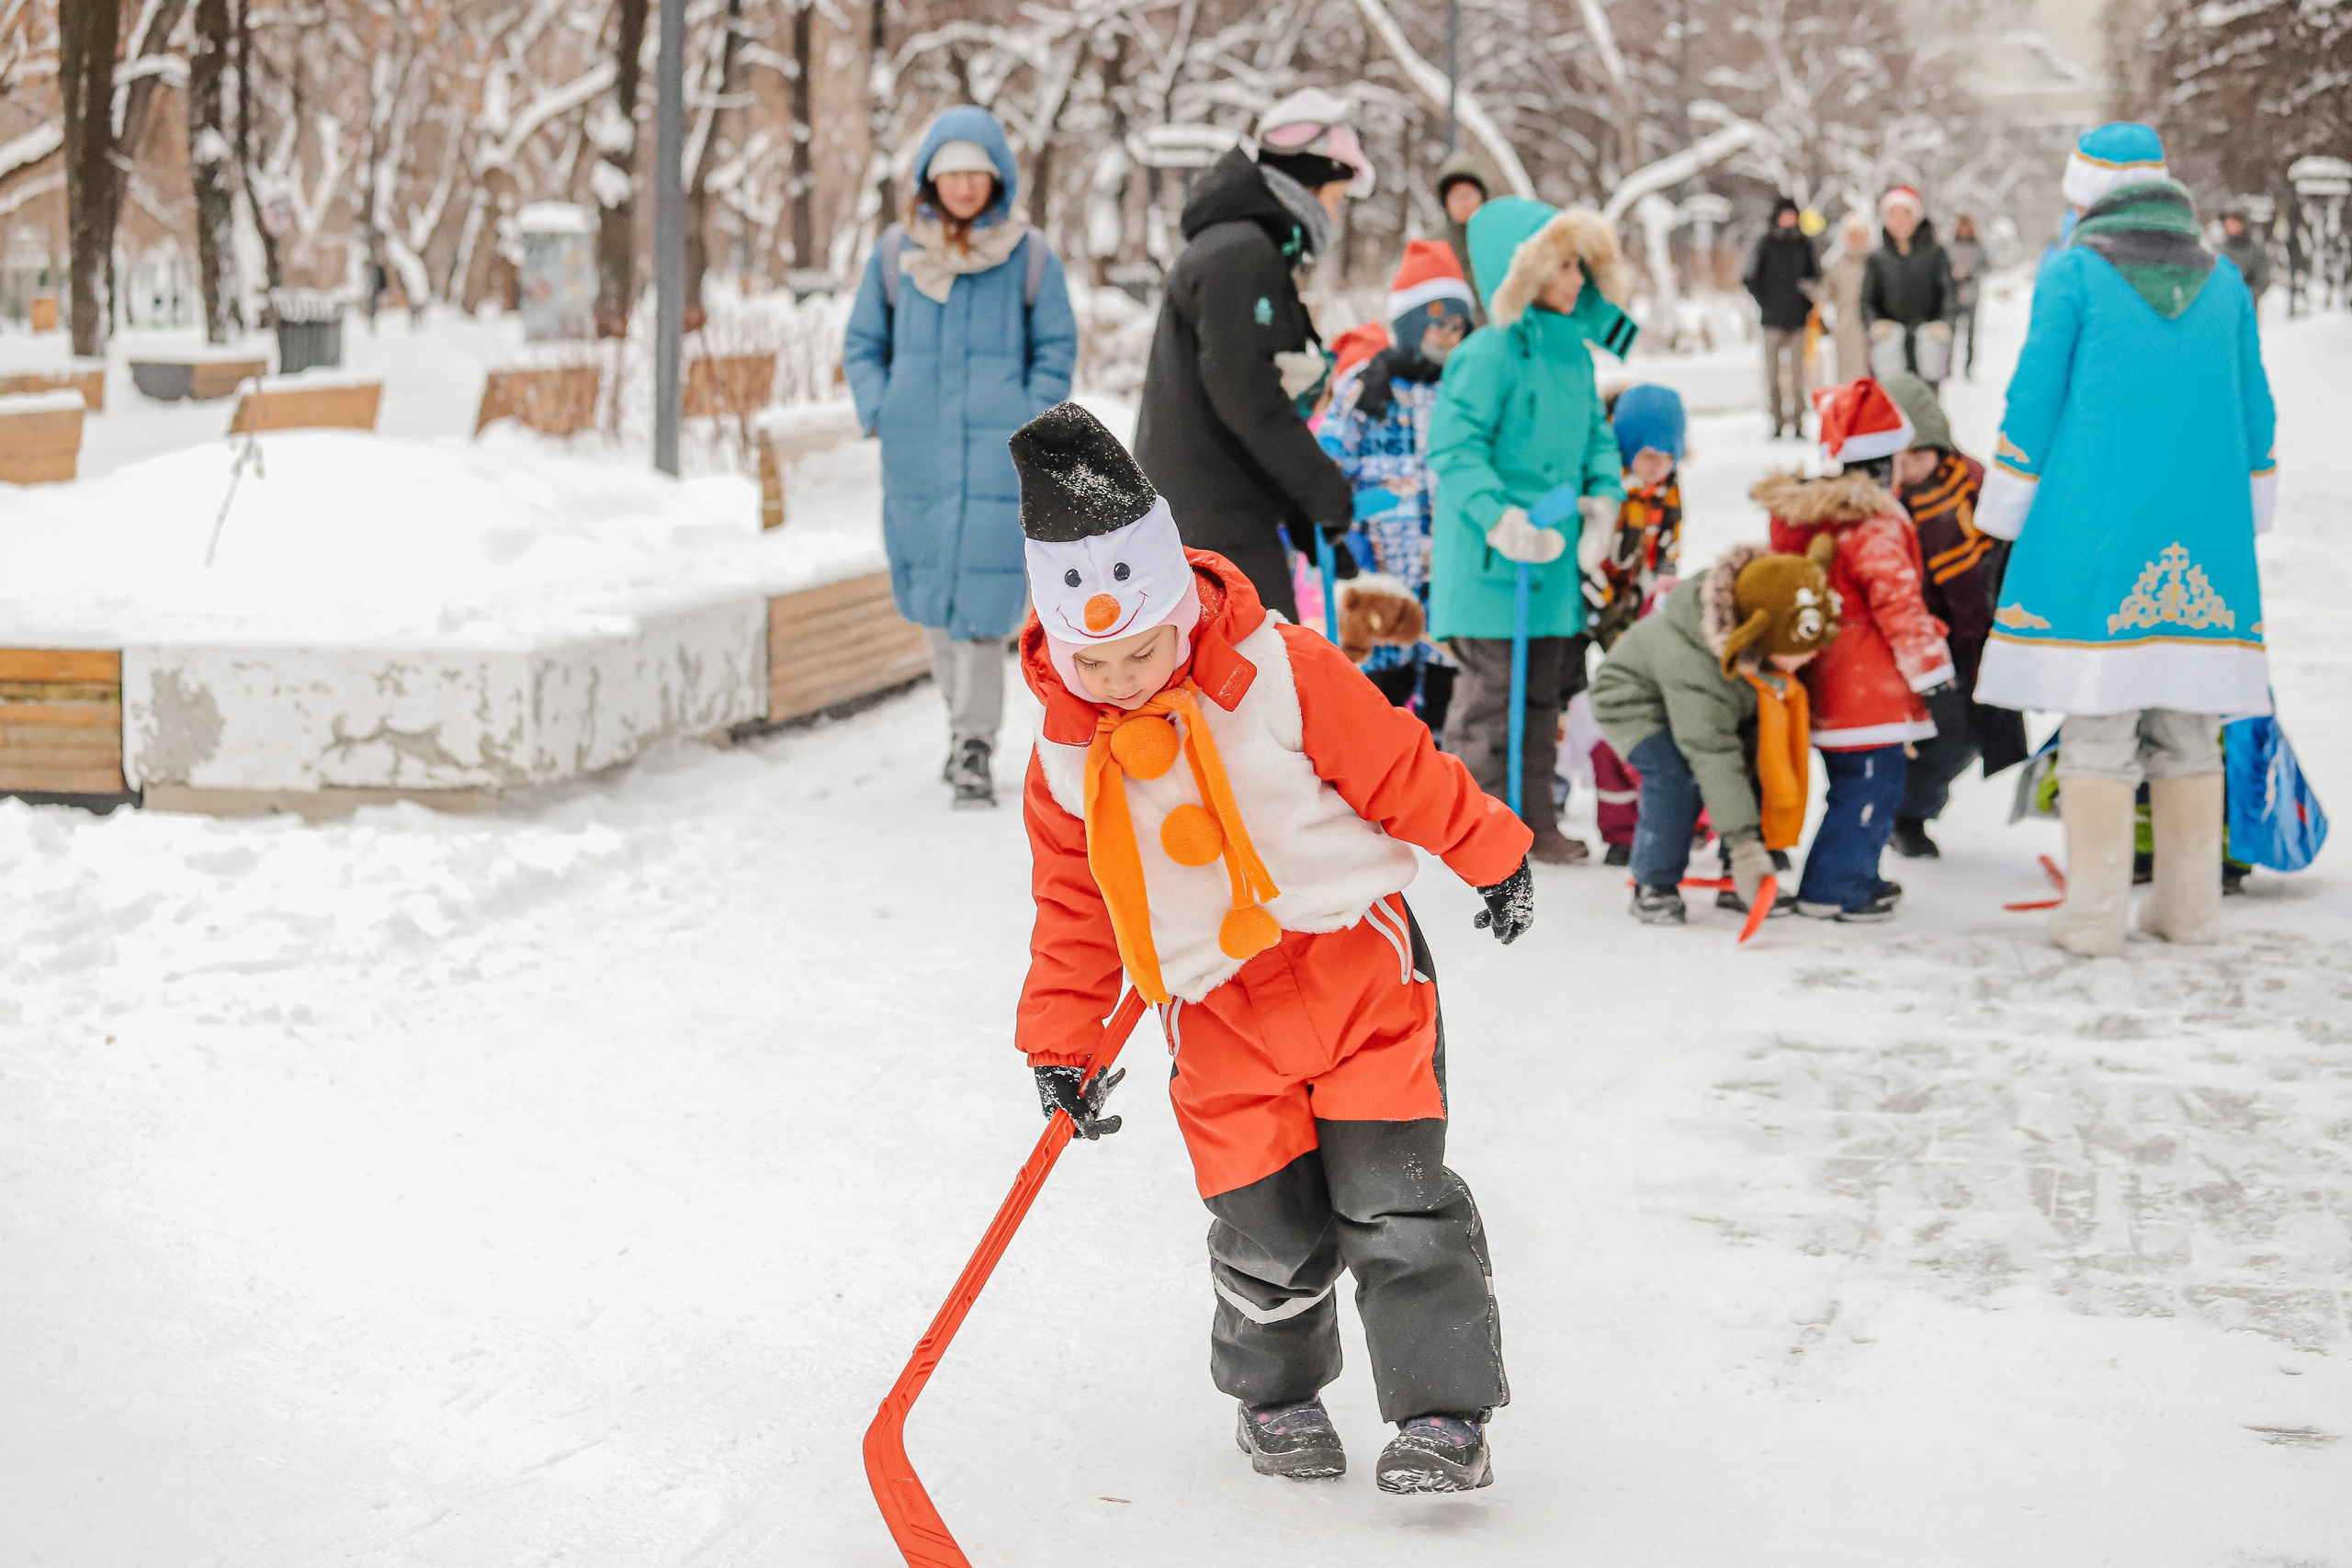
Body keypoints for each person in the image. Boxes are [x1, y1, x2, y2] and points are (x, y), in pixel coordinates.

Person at [1006, 400, 1533, 1495]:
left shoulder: (1279, 667)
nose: (1118, 677)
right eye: (1091, 660)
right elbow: (1075, 909)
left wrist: (1489, 852)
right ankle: (1276, 1397)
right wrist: (1061, 1042)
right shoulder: (1063, 760)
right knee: (1262, 1222)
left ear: (1177, 607)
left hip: (1358, 969)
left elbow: (1399, 766)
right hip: (1215, 1012)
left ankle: (1443, 1415)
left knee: (1395, 1198)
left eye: (1141, 647)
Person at [1973, 122, 2277, 957]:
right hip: (2204, 546)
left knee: (2099, 723)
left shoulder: (2074, 273)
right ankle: (2190, 910)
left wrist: (2002, 508)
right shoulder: (2226, 284)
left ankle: (2094, 916)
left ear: (2089, 194)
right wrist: (2249, 508)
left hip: (2094, 534)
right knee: (2188, 726)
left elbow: (2034, 398)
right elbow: (2257, 411)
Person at [843, 107, 1078, 807]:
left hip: (997, 455)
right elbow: (862, 342)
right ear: (930, 180)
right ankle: (960, 724)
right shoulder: (895, 252)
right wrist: (883, 406)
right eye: (952, 175)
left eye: (978, 173)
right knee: (934, 601)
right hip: (918, 454)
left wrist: (1026, 412)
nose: (965, 187)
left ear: (997, 177)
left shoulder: (1028, 254)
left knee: (983, 602)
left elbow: (1057, 347)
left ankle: (974, 742)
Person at [1428, 197, 1637, 864]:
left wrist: (1605, 498)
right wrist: (1498, 517)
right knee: (1492, 703)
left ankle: (1535, 820)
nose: (1577, 280)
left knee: (1543, 695)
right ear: (1527, 272)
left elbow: (1596, 439)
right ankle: (1480, 833)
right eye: (1563, 265)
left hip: (1551, 564)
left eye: (1581, 266)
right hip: (1494, 561)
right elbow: (1454, 448)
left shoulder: (1574, 354)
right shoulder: (1487, 353)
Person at [1134, 88, 1366, 624]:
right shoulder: (1241, 255)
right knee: (1256, 686)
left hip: (1221, 510)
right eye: (1336, 198)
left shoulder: (1247, 250)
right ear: (1308, 182)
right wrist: (1324, 491)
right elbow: (1245, 391)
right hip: (1213, 523)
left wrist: (1304, 513)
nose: (1335, 216)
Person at [1758, 378, 1955, 920]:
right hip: (1866, 689)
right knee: (1872, 786)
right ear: (1881, 466)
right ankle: (1836, 886)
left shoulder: (1810, 517)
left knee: (1853, 786)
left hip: (1826, 682)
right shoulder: (1873, 525)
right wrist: (1931, 670)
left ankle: (1853, 875)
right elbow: (1899, 602)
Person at [1590, 539, 1840, 924]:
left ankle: (1738, 875)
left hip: (1711, 700)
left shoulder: (1754, 620)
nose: (1812, 658)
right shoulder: (1697, 665)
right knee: (1677, 776)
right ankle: (1653, 883)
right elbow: (1712, 752)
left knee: (1758, 754)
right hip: (1636, 704)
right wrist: (1745, 846)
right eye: (1803, 649)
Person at [1317, 239, 1476, 734]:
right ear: (1409, 324)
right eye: (1437, 324)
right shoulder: (1369, 388)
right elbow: (1326, 462)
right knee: (1383, 690)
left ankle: (1441, 783)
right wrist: (1340, 527)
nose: (1448, 337)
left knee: (1449, 688)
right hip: (1385, 573)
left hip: (1451, 571)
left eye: (1458, 327)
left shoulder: (1466, 386)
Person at [1873, 373, 2030, 859]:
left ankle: (1907, 809)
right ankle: (1904, 813)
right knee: (1945, 732)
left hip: (1979, 635)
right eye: (1898, 458)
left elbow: (2009, 552)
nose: (1910, 469)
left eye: (1919, 454)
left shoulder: (1975, 488)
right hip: (1914, 639)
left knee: (1979, 732)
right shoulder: (1883, 506)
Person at [1582, 384, 1688, 863]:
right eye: (1648, 456)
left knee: (1640, 684)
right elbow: (1594, 544)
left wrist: (1664, 578)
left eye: (1667, 457)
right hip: (1594, 593)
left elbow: (1669, 538)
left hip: (1636, 596)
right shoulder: (1609, 483)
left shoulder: (1668, 487)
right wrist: (1592, 594)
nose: (1657, 467)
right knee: (1577, 689)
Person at [1862, 186, 1956, 386]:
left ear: (1916, 217)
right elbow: (1867, 300)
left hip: (1927, 343)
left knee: (1925, 407)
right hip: (1891, 346)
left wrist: (1943, 323)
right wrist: (1875, 324)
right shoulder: (1878, 259)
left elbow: (1948, 294)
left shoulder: (1936, 254)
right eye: (1893, 216)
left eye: (1904, 215)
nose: (1899, 222)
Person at [1745, 197, 1821, 437]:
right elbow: (1750, 278)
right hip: (1772, 321)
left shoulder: (1805, 245)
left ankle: (1799, 422)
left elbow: (1815, 278)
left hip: (1798, 321)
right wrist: (1765, 303)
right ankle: (1777, 422)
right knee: (1773, 376)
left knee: (1799, 376)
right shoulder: (1765, 244)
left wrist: (1806, 304)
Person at [1430, 150, 1490, 324]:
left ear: (1482, 196)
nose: (1464, 202)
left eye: (1470, 194)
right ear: (1445, 200)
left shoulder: (1495, 238)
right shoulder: (1432, 244)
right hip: (1450, 335)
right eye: (1457, 195)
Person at [1822, 212, 1874, 385]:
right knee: (1849, 379)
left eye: (1860, 235)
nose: (1857, 240)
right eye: (1852, 236)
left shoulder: (1876, 262)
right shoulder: (1835, 264)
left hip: (1875, 326)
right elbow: (1825, 295)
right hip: (1847, 327)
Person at [1947, 214, 1989, 378]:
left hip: (1972, 296)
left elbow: (1986, 267)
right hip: (1954, 297)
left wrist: (1971, 274)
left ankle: (1968, 368)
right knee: (1951, 334)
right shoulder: (1950, 247)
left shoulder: (1978, 248)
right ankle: (1947, 367)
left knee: (1970, 334)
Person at [2220, 209, 2271, 317]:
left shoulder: (2256, 251)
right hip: (2222, 311)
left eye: (2234, 223)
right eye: (2228, 224)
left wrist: (2243, 295)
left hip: (2246, 311)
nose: (2230, 227)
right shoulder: (2219, 249)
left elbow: (2262, 281)